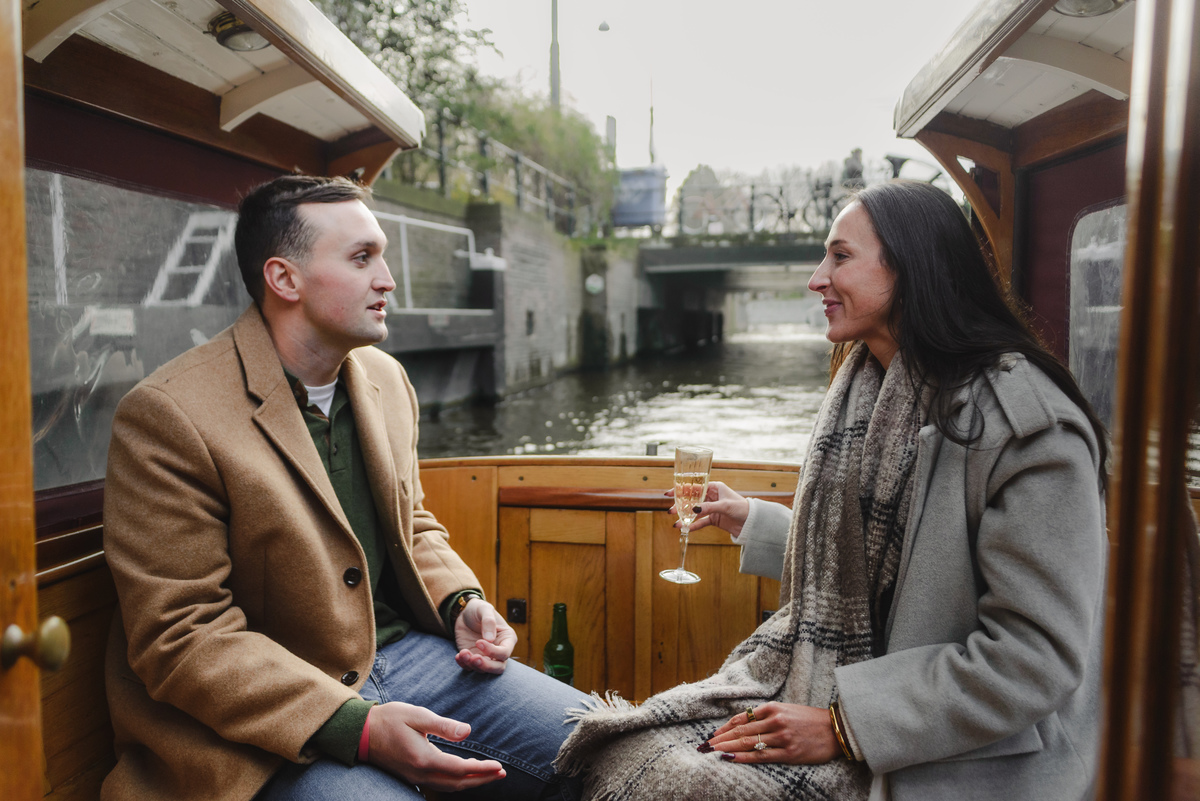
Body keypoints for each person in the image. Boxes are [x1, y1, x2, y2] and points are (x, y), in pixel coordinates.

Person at [556, 180, 1107, 801]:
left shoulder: (1027, 428)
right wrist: (752, 521)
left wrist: (845, 727)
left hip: (962, 762)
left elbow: (1036, 658)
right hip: (868, 714)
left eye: (840, 257)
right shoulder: (872, 387)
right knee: (634, 754)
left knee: (660, 777)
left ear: (914, 268)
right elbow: (875, 566)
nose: (817, 278)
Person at [101, 174, 586, 801]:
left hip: (410, 657)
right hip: (260, 724)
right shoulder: (168, 415)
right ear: (285, 280)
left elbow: (412, 524)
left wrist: (460, 604)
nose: (387, 280)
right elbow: (182, 636)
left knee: (603, 746)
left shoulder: (385, 378)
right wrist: (357, 727)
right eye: (362, 259)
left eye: (381, 255)